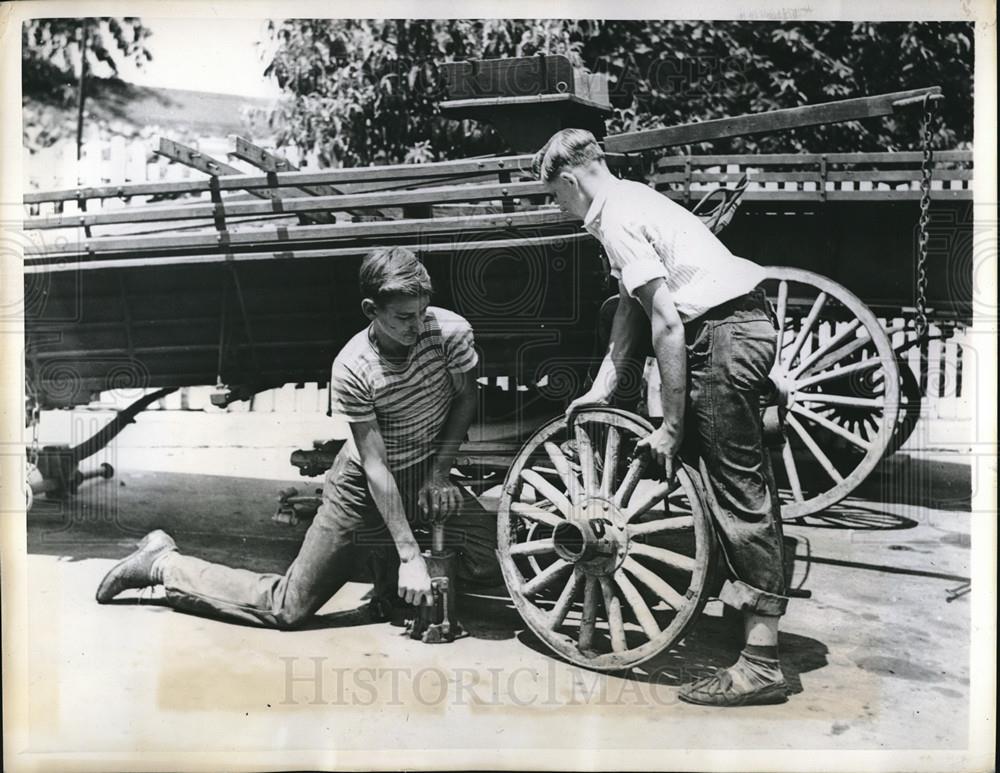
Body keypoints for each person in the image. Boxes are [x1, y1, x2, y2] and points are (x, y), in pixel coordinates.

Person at [96, 247, 500, 628]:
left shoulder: (450, 333)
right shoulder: (353, 367)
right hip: (362, 486)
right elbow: (375, 465)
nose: (417, 326)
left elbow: (466, 397)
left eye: (422, 311)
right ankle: (163, 563)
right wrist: (412, 555)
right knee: (288, 607)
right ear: (370, 310)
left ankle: (384, 570)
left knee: (491, 563)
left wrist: (440, 474)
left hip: (424, 469)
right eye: (403, 317)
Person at [534, 128, 790, 707]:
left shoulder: (616, 217)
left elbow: (668, 324)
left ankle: (761, 663)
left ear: (570, 180)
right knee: (733, 486)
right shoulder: (633, 200)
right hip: (736, 327)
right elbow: (632, 303)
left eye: (554, 196)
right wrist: (604, 387)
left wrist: (671, 426)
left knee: (737, 492)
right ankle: (751, 626)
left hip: (719, 336)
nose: (559, 207)